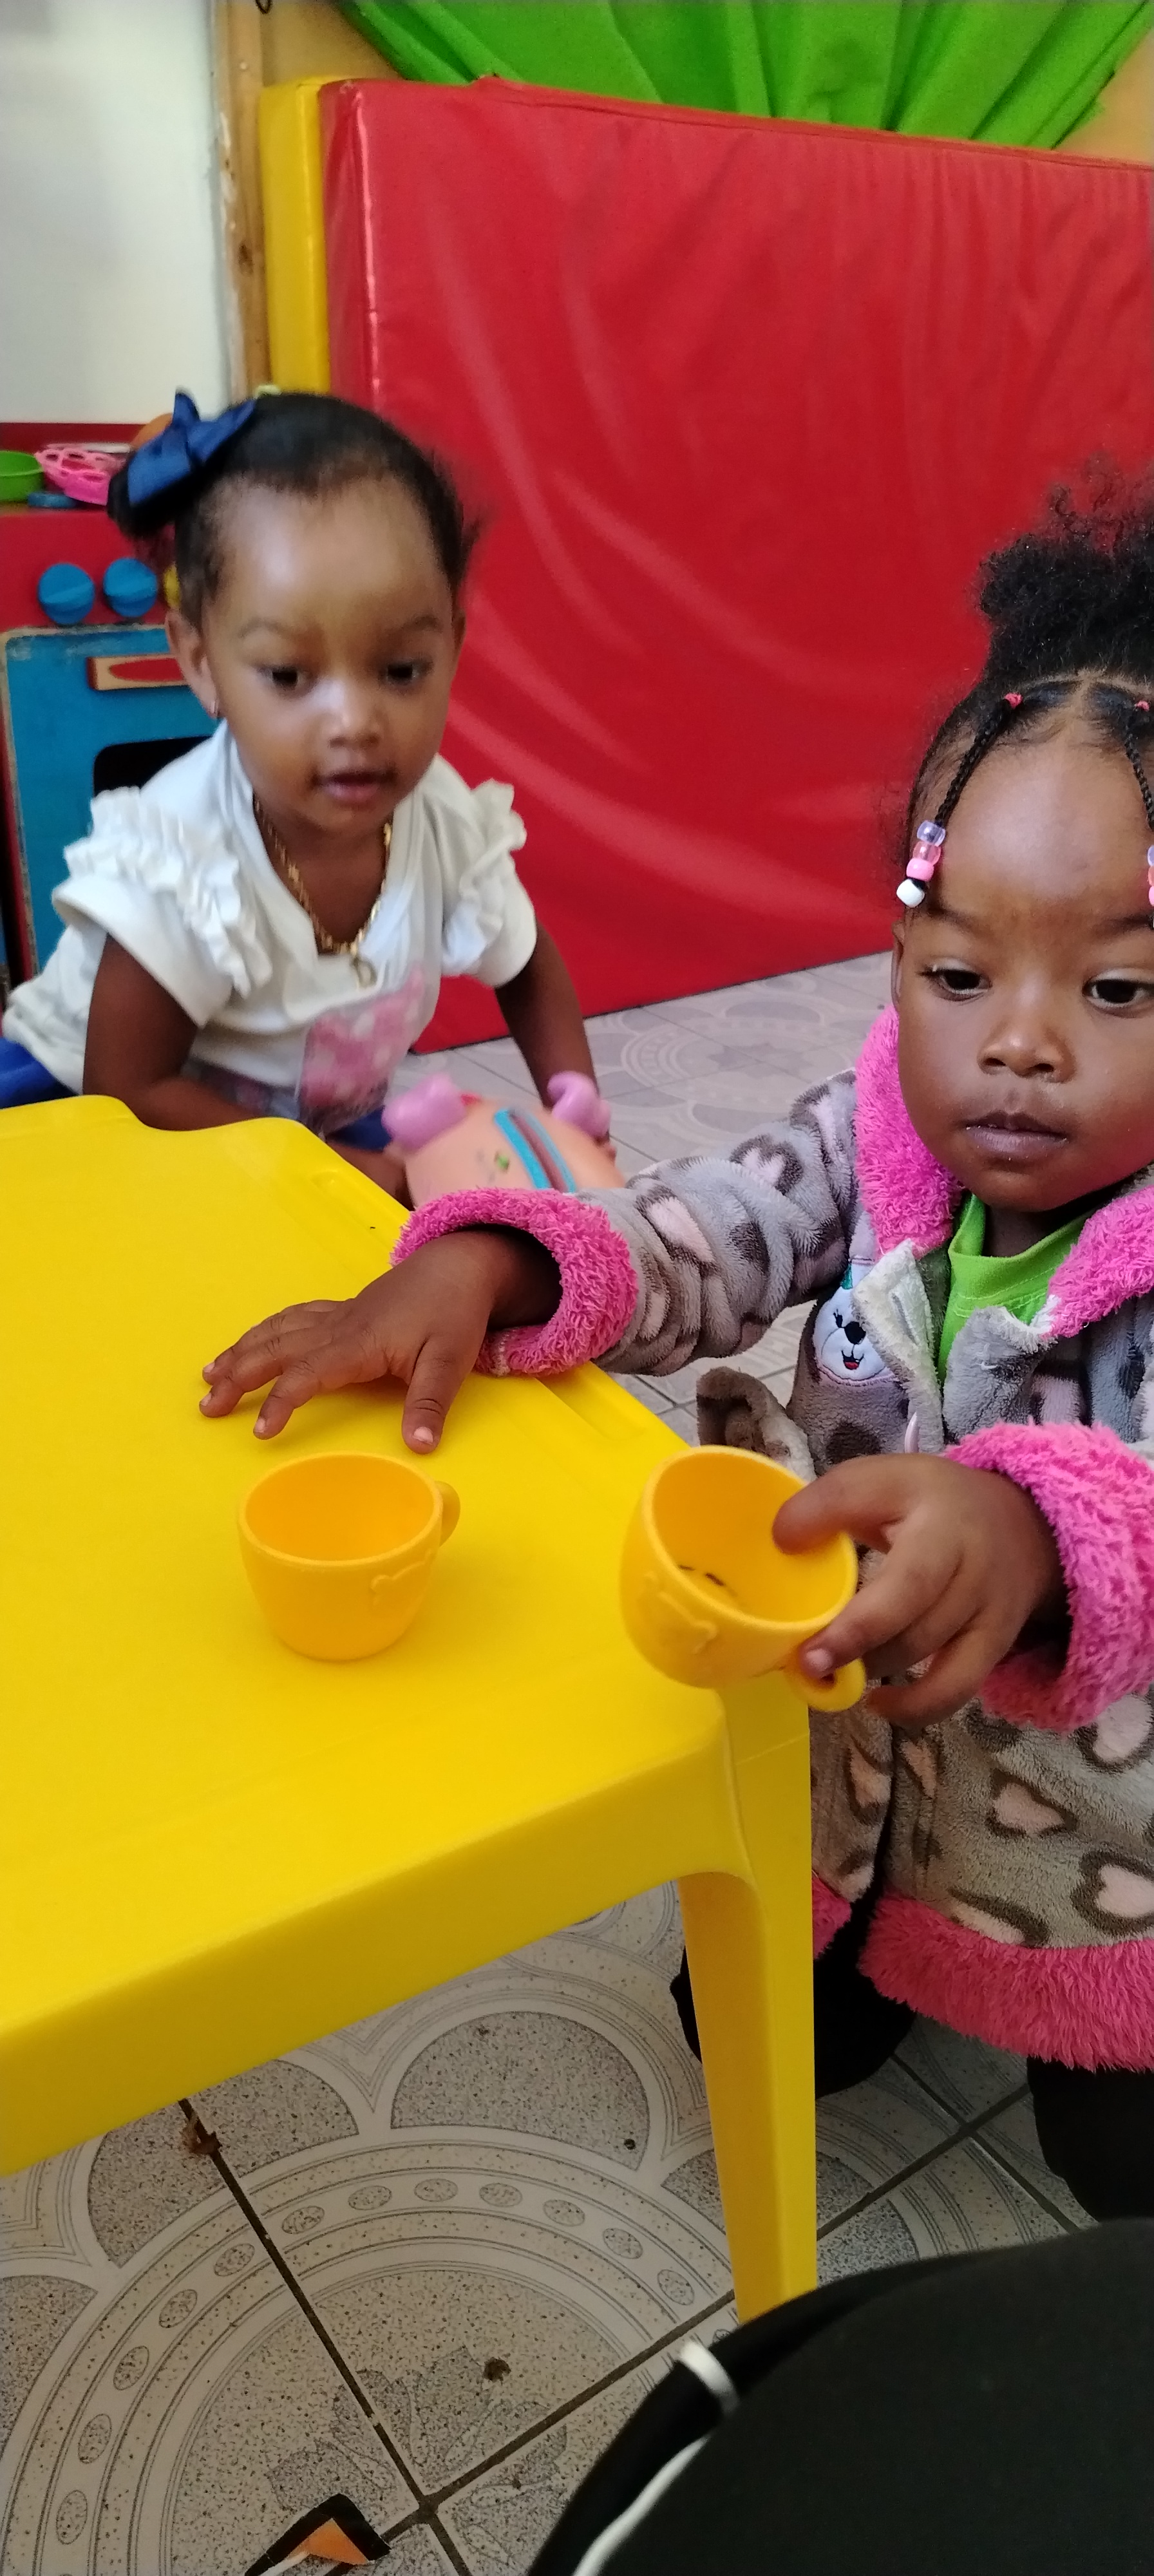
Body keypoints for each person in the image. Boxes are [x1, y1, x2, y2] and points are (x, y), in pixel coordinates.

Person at [201, 486, 1154, 2221]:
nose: (1017, 1046)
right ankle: (877, 1926)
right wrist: (500, 1258)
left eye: (1118, 991)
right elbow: (713, 1224)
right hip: (851, 1759)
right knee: (761, 2031)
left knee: (1121, 2164)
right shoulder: (889, 1127)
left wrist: (1029, 1539)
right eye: (958, 973)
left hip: (1104, 1845)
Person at [0, 391, 595, 1193]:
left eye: (401, 670)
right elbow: (128, 1091)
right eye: (288, 675)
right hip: (103, 1109)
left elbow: (526, 967)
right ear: (201, 664)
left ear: (451, 648)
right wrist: (352, 1173)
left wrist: (573, 1100)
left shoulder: (442, 816)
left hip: (297, 1122)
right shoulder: (183, 858)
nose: (353, 721)